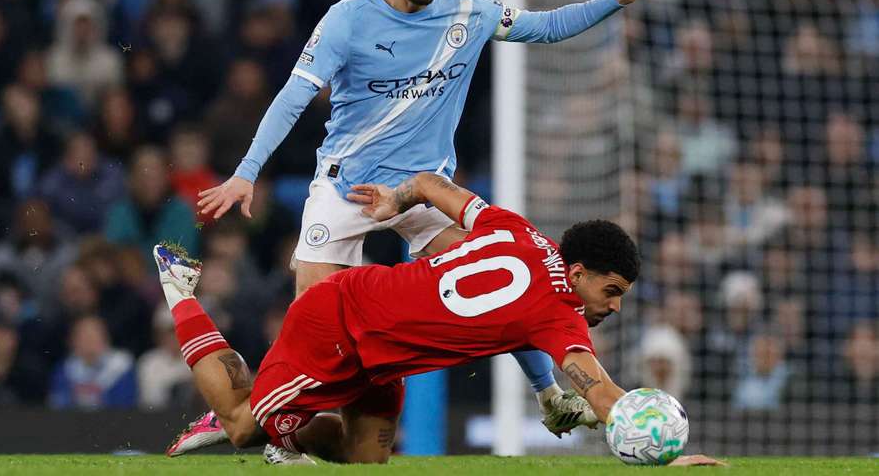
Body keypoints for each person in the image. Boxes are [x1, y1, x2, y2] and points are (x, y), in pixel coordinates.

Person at [197, 0, 656, 435]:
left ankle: (549, 395)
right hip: (349, 187)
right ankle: (269, 420)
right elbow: (295, 95)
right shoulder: (349, 18)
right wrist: (246, 171)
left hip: (425, 190)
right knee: (313, 327)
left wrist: (616, 0)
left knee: (518, 280)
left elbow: (544, 28)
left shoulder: (469, 11)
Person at [157, 172, 722, 466]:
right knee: (240, 422)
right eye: (612, 290)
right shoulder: (561, 314)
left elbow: (429, 184)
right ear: (577, 273)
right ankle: (180, 291)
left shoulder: (515, 228)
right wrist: (658, 452)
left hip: (382, 354)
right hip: (341, 325)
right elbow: (598, 390)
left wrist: (394, 202)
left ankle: (280, 424)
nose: (614, 305)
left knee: (365, 459)